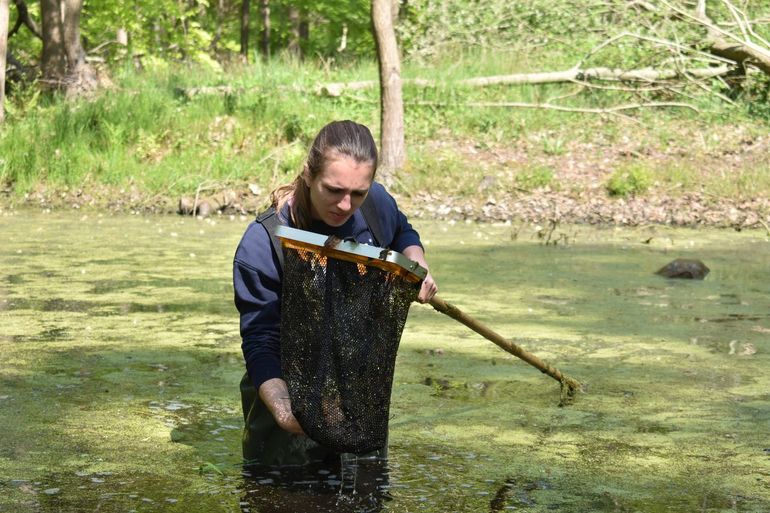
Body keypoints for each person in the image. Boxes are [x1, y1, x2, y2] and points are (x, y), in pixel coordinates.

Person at [233, 120, 437, 466]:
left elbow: (402, 229)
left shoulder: (376, 208)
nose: (345, 205)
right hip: (283, 394)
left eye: (358, 193)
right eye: (334, 190)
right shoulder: (262, 245)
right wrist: (285, 413)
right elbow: (261, 341)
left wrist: (416, 261)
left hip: (358, 398)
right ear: (310, 176)